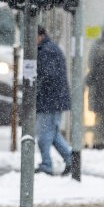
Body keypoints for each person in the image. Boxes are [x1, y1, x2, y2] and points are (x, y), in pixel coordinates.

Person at [35, 25, 73, 176]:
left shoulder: (47, 51)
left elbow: (47, 75)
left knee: (44, 135)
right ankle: (70, 159)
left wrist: (35, 86)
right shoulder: (48, 49)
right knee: (53, 134)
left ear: (40, 36)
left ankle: (46, 164)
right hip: (52, 99)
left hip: (50, 100)